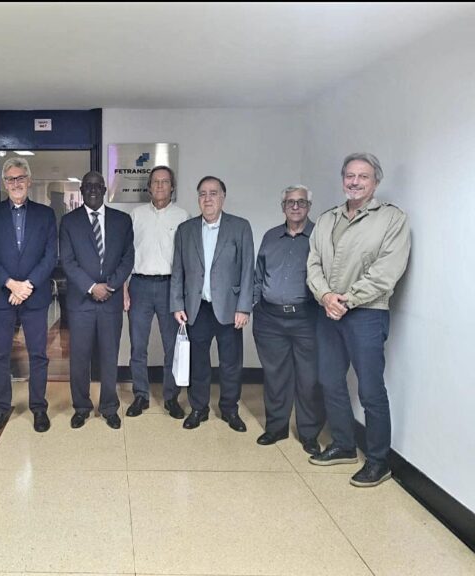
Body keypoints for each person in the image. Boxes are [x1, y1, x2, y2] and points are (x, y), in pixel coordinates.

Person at [307, 153, 410, 487]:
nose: (354, 182)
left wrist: (346, 300)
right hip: (328, 311)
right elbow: (313, 265)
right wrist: (325, 296)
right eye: (349, 176)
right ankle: (343, 444)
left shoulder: (392, 219)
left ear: (375, 181)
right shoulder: (326, 219)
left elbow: (386, 273)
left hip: (366, 313)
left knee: (370, 389)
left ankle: (379, 461)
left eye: (362, 177)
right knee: (330, 381)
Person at [0, 158, 57, 433]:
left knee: (38, 355)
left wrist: (28, 285)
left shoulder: (46, 215)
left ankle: (38, 408)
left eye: (20, 177)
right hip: (0, 296)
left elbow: (50, 256)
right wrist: (11, 284)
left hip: (35, 297)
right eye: (10, 179)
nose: (16, 183)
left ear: (29, 180)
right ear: (4, 184)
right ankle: (1, 408)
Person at [170, 176, 254, 431]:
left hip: (229, 308)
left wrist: (244, 307)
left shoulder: (240, 227)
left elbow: (248, 269)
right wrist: (177, 304)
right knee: (199, 361)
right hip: (197, 308)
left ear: (223, 197)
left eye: (213, 193)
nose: (208, 198)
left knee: (230, 362)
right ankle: (199, 408)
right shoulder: (186, 230)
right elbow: (178, 271)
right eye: (203, 194)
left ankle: (229, 409)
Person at [252, 185, 324, 455]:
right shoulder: (271, 236)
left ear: (309, 207)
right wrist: (256, 302)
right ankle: (276, 427)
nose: (295, 207)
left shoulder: (320, 236)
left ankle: (308, 433)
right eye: (290, 202)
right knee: (275, 375)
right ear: (282, 206)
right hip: (270, 318)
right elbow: (259, 274)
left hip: (306, 317)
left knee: (308, 378)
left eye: (301, 202)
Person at [59, 171, 134, 429]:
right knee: (79, 358)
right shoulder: (69, 222)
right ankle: (81, 407)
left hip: (110, 301)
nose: (92, 190)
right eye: (87, 186)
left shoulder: (123, 221)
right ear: (81, 191)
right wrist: (92, 287)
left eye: (97, 186)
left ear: (104, 190)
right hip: (81, 302)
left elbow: (128, 258)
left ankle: (109, 407)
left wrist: (110, 286)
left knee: (109, 356)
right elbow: (67, 262)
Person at [123, 166, 190, 419]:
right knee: (138, 346)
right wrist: (125, 287)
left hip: (170, 288)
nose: (160, 186)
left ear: (172, 187)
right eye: (155, 182)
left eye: (165, 182)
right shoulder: (136, 215)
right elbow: (127, 254)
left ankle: (171, 397)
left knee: (171, 346)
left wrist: (182, 293)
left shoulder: (183, 216)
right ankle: (140, 395)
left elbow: (187, 259)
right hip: (139, 285)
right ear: (149, 187)